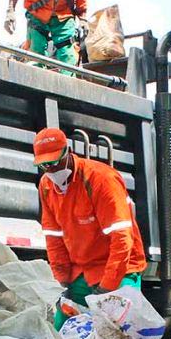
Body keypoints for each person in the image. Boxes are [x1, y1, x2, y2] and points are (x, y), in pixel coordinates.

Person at [34, 127, 147, 328]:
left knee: (117, 337)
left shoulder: (101, 179)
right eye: (44, 166)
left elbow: (122, 240)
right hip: (81, 271)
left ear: (67, 152)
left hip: (119, 271)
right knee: (62, 331)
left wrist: (107, 288)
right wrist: (60, 283)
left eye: (54, 162)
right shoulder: (46, 186)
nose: (51, 170)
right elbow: (54, 239)